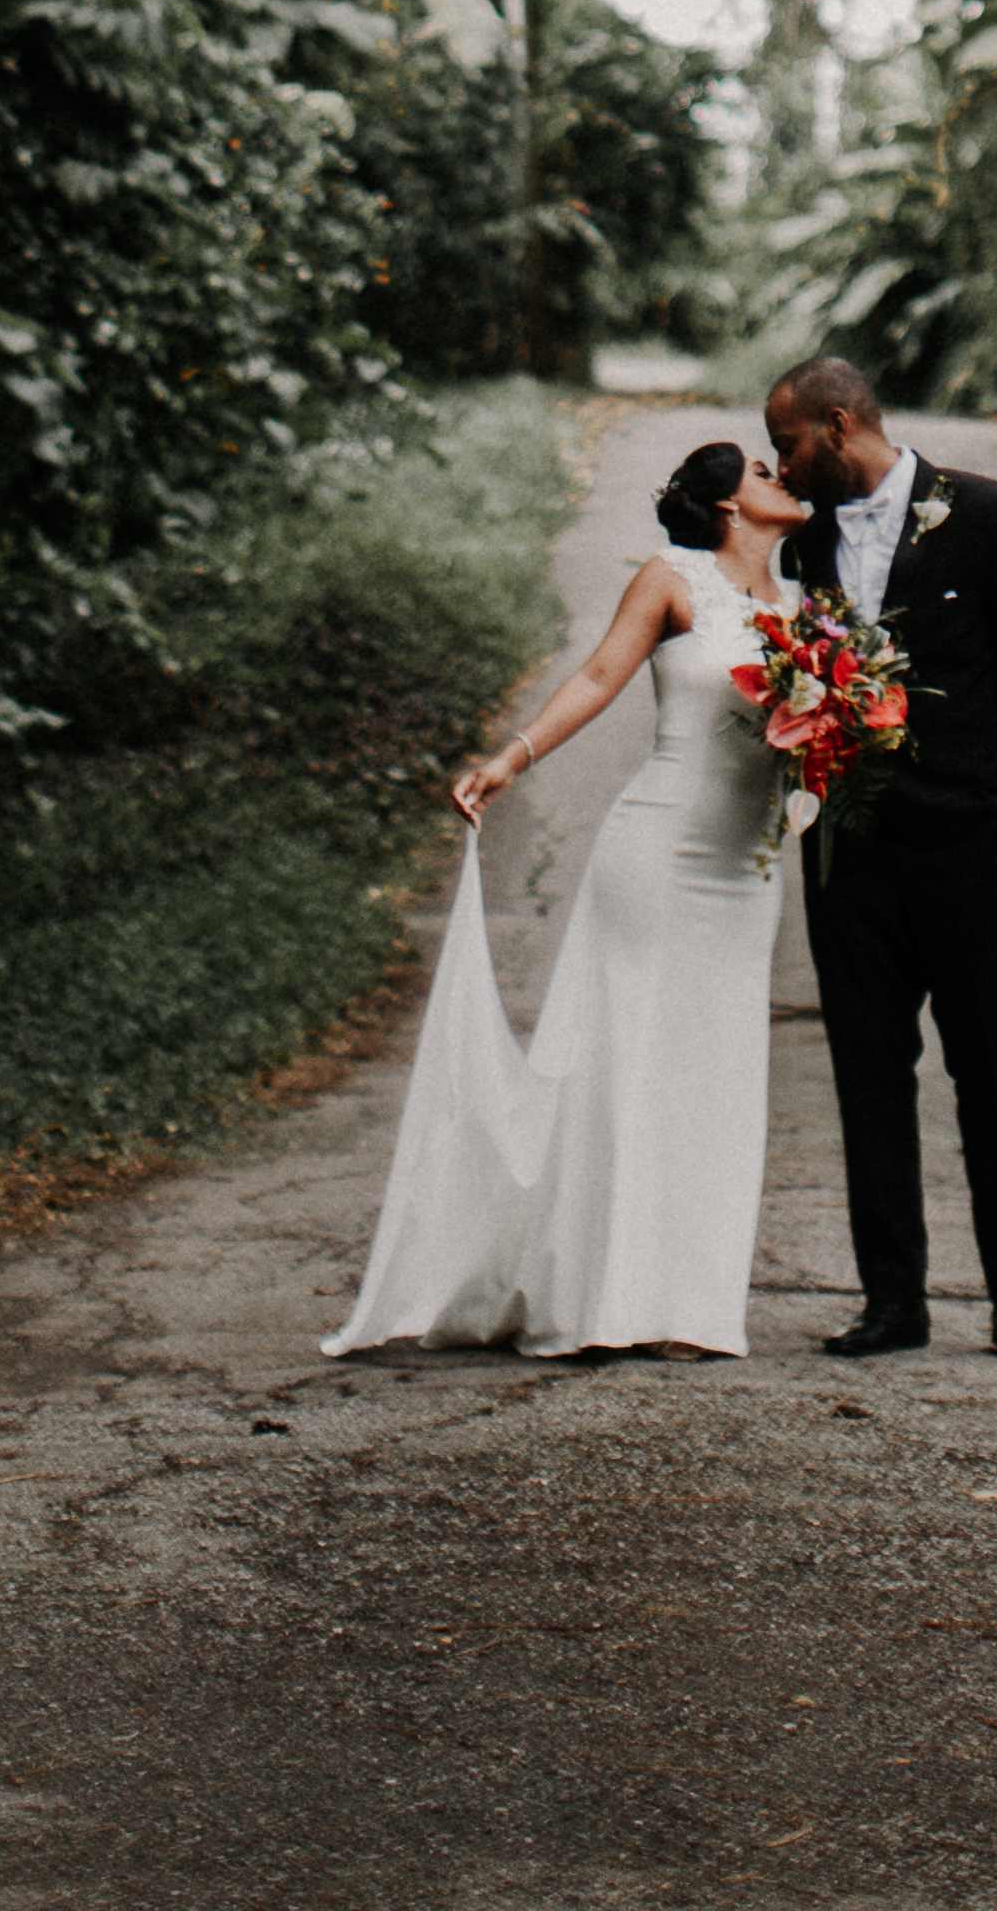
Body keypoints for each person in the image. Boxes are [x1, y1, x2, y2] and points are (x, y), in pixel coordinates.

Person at [323, 434, 811, 1358]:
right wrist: (509, 759)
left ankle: (686, 1307)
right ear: (728, 508)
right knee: (629, 1058)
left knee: (716, 1071)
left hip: (747, 868)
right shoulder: (674, 579)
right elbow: (597, 675)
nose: (782, 475)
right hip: (660, 848)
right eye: (760, 470)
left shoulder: (808, 609)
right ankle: (605, 1294)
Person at [765, 352, 997, 1365]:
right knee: (869, 1071)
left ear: (836, 425)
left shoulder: (986, 515)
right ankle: (892, 1299)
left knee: (990, 1068)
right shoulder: (803, 544)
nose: (781, 466)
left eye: (786, 444)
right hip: (851, 856)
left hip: (976, 848)